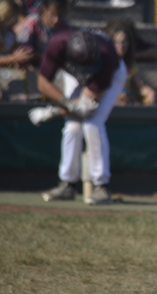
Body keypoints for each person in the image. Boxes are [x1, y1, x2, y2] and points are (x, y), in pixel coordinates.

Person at [33, 29, 127, 205]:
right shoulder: (58, 43)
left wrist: (50, 113)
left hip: (112, 76)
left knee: (92, 123)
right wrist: (66, 104)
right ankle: (67, 184)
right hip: (74, 76)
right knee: (72, 126)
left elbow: (86, 108)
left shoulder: (107, 58)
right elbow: (42, 83)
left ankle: (102, 186)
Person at [102, 18, 156, 106]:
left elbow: (141, 86)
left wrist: (148, 92)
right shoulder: (105, 63)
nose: (121, 46)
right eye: (117, 42)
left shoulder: (128, 65)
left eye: (124, 42)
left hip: (125, 105)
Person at [0, 0, 34, 69]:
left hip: (5, 66)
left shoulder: (9, 33)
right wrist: (12, 58)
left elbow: (13, 51)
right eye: (14, 19)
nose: (16, 22)